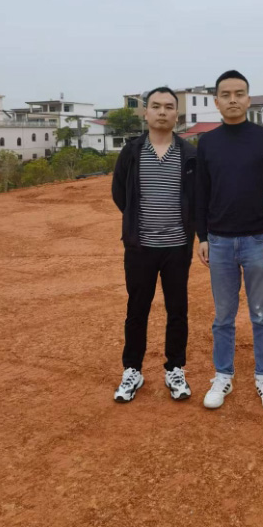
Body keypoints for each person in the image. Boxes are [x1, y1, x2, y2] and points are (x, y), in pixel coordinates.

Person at [196, 70, 263, 411]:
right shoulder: (207, 142)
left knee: (262, 314)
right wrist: (202, 236)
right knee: (223, 316)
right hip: (219, 242)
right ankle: (223, 375)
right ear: (216, 101)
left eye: (239, 93)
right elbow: (201, 193)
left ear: (248, 99)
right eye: (226, 94)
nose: (232, 100)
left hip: (258, 241)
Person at [111, 87, 197, 403]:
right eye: (156, 106)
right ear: (146, 113)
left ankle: (175, 369)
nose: (162, 112)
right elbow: (120, 193)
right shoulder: (131, 152)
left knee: (177, 310)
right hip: (140, 247)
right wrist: (136, 222)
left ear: (177, 114)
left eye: (169, 107)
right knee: (137, 309)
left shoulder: (189, 154)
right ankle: (132, 370)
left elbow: (196, 196)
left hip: (177, 247)